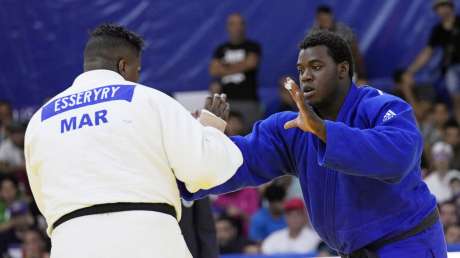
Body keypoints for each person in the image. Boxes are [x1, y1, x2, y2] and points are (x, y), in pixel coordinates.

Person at [180, 31, 447, 257]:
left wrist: (323, 131)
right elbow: (240, 161)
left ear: (343, 70)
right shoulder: (292, 128)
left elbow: (398, 156)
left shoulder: (380, 107)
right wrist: (205, 147)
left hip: (409, 246)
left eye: (316, 67)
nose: (305, 76)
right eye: (301, 70)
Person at [24, 24, 243, 258]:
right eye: (137, 70)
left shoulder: (40, 120)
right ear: (123, 65)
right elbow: (203, 172)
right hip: (147, 238)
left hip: (71, 242)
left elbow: (43, 201)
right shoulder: (150, 100)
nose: (137, 78)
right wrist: (211, 128)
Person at [209, 13, 262, 131]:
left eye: (240, 23)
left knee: (252, 135)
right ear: (228, 27)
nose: (237, 27)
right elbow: (213, 70)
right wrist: (243, 65)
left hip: (248, 101)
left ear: (244, 26)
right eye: (233, 24)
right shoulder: (220, 49)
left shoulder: (253, 46)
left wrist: (224, 68)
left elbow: (252, 63)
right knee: (225, 136)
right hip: (226, 101)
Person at [404, 0, 460, 103]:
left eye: (444, 5)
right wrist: (411, 71)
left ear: (451, 6)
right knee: (457, 100)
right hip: (451, 68)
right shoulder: (437, 30)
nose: (442, 9)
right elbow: (428, 52)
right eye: (438, 7)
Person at [310, 5, 367, 83]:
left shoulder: (344, 32)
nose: (325, 22)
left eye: (326, 19)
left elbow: (356, 54)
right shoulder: (312, 35)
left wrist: (361, 75)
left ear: (331, 17)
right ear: (317, 19)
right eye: (322, 20)